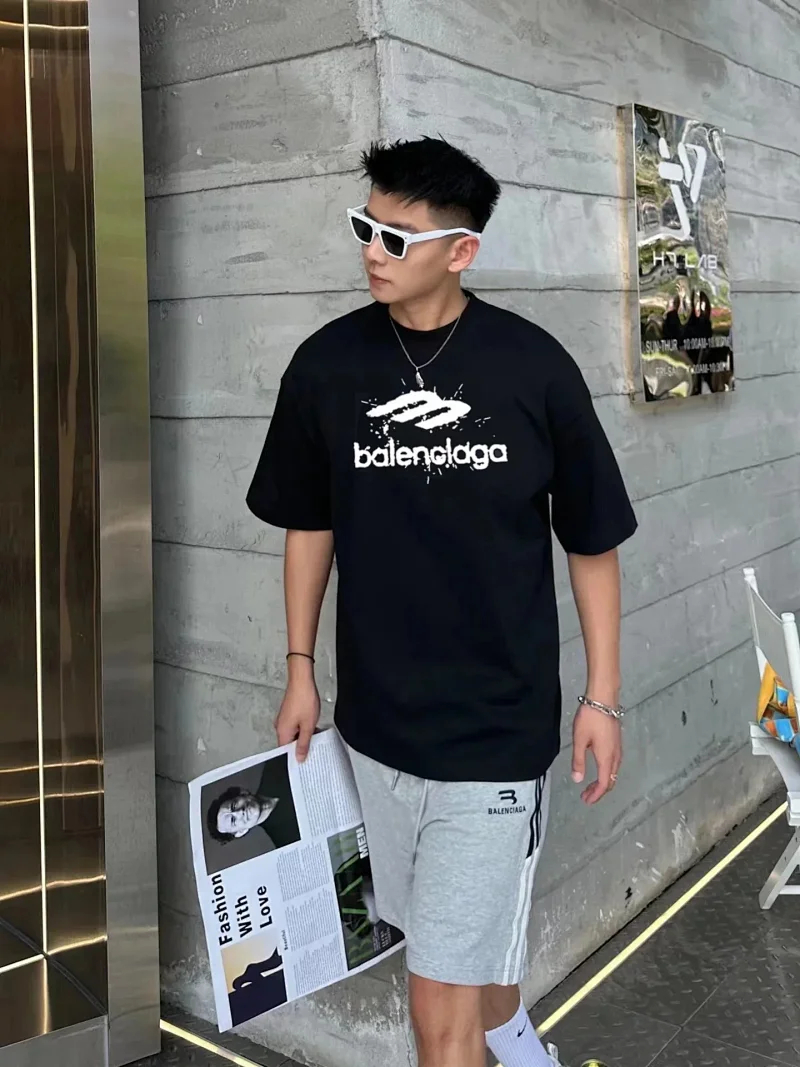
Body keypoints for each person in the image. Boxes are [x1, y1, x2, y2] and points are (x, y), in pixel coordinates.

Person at [247, 137, 637, 1067]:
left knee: (437, 1018)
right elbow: (309, 524)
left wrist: (602, 695)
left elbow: (591, 541)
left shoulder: (533, 368)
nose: (371, 250)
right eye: (366, 226)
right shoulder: (326, 367)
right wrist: (300, 668)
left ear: (461, 251)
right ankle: (525, 1054)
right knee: (454, 951)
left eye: (396, 236)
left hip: (495, 736)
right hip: (377, 731)